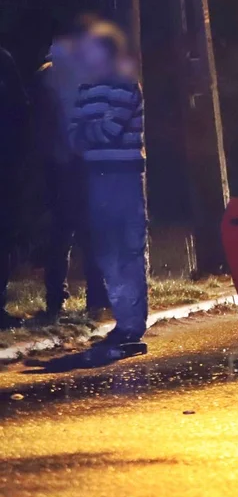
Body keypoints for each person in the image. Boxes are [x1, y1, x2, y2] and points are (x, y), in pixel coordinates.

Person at [69, 25, 148, 351]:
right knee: (107, 251)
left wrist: (90, 131)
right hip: (96, 177)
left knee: (127, 250)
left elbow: (109, 131)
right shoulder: (86, 89)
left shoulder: (125, 85)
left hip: (123, 177)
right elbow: (73, 135)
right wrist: (91, 131)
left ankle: (131, 326)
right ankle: (124, 321)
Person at [34, 15, 110, 320]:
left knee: (61, 232)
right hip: (82, 163)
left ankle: (56, 300)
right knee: (88, 233)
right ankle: (96, 298)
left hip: (59, 162)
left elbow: (41, 124)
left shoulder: (46, 76)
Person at [0, 43, 28, 329]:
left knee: (3, 237)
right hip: (6, 165)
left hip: (4, 167)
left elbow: (22, 113)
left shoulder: (4, 60)